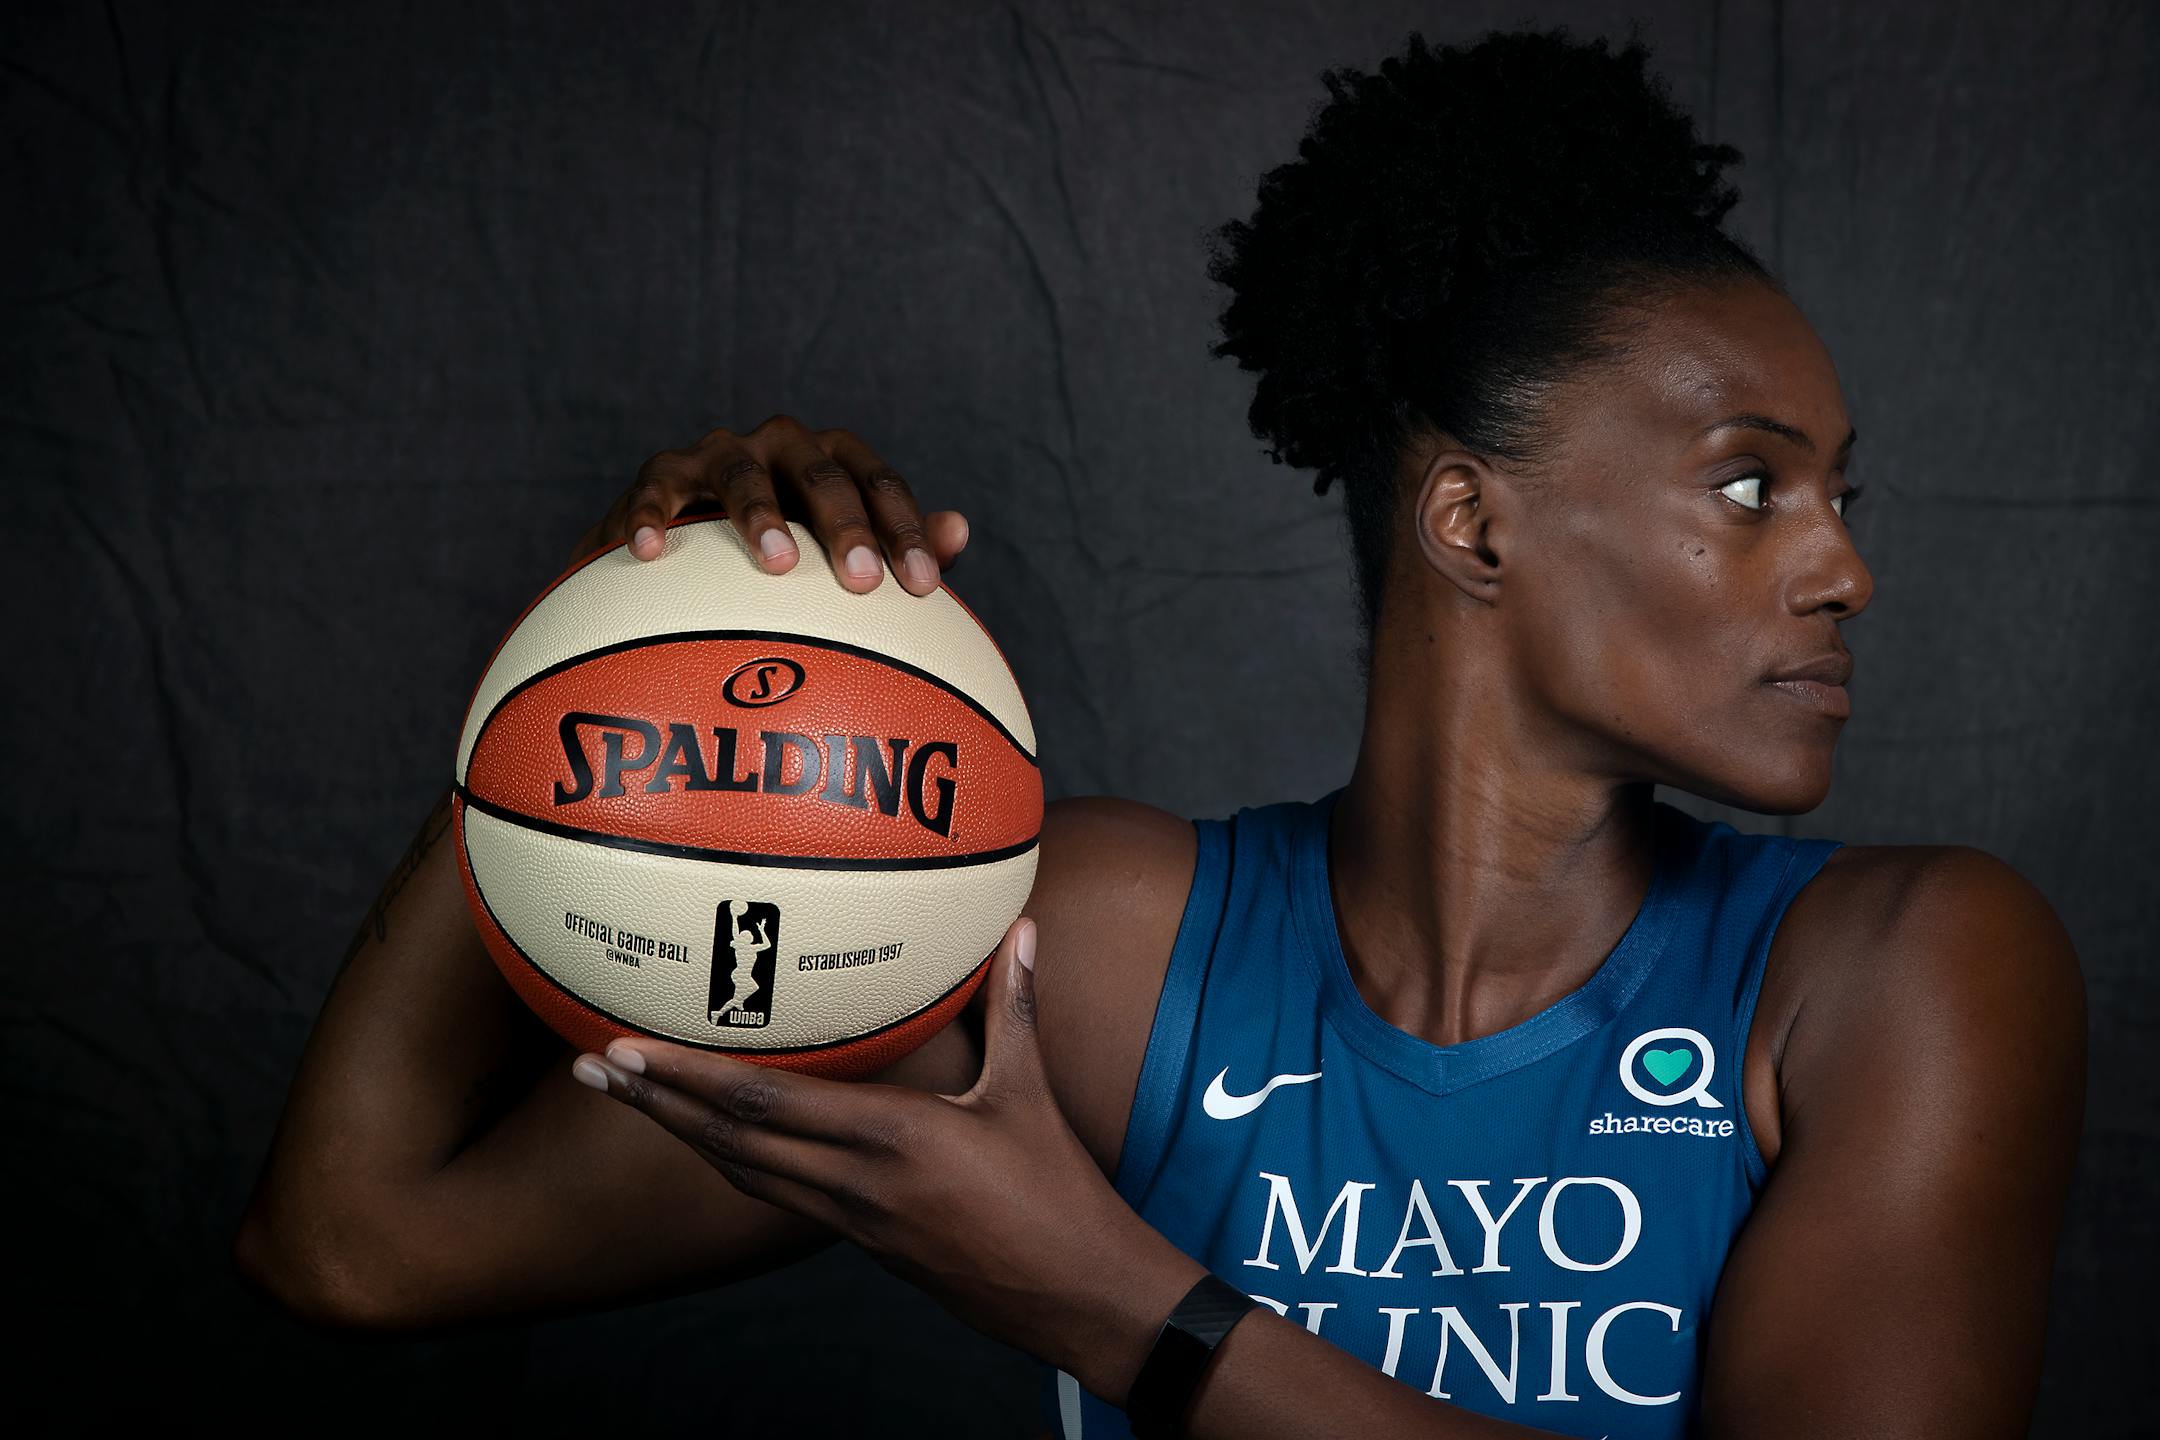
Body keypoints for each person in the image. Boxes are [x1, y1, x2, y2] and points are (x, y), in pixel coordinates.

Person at [233, 23, 2086, 1439]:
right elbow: (360, 1243)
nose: (1846, 566)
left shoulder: (1897, 970)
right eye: (1755, 487)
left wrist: (1117, 1303)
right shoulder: (1095, 949)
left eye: (1843, 491)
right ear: (1472, 522)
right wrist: (590, 685)